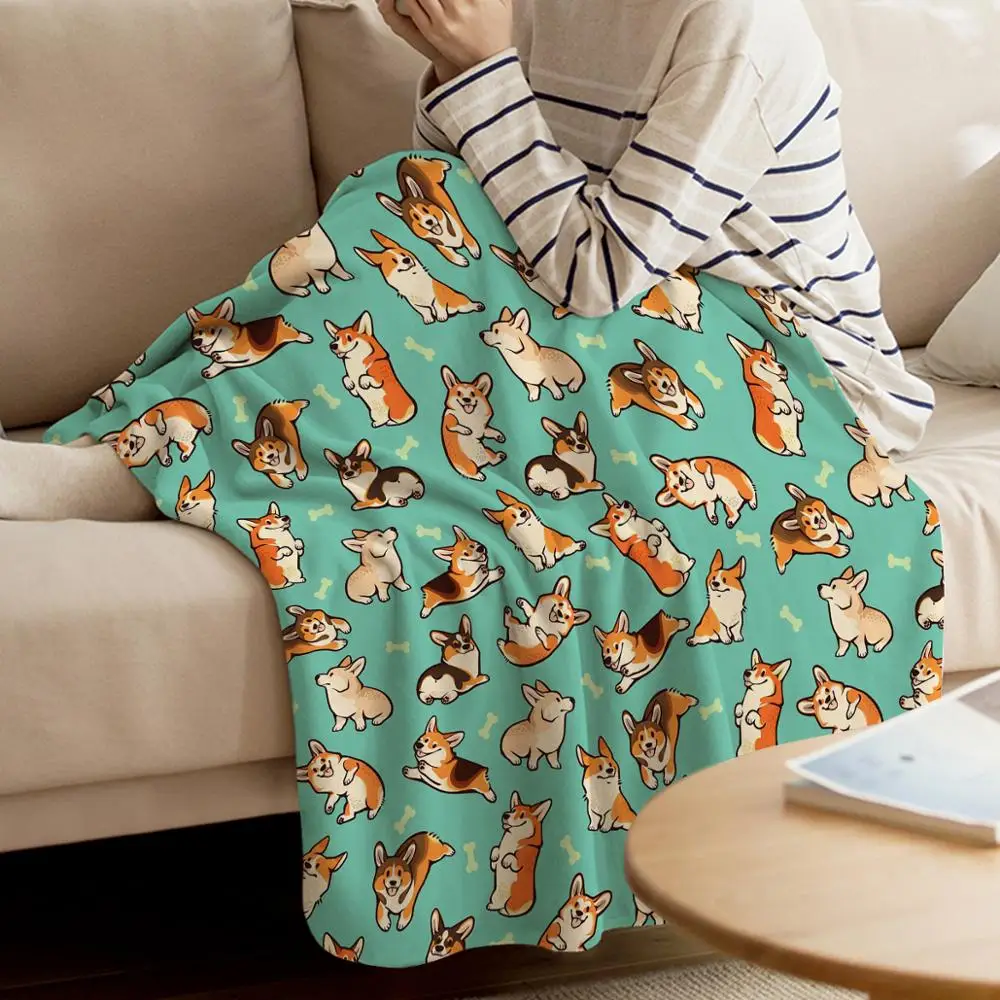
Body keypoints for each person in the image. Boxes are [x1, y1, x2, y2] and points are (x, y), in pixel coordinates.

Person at [377, 0, 934, 457]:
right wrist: (451, 57)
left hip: (804, 376)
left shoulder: (739, 25)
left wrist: (483, 69)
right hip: (618, 318)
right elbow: (464, 215)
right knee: (373, 216)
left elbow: (600, 275)